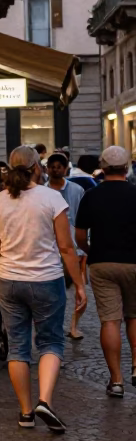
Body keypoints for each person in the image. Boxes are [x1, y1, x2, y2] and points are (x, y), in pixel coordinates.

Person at [0, 146, 86, 432]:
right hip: (47, 280)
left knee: (17, 347)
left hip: (9, 280)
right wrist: (79, 284)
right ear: (36, 168)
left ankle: (26, 412)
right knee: (51, 342)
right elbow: (67, 247)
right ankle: (45, 399)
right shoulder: (52, 198)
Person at [74, 145, 136, 398]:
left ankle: (117, 380)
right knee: (134, 316)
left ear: (104, 167)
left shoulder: (92, 195)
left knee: (110, 320)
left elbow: (79, 236)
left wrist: (90, 249)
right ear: (127, 167)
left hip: (102, 262)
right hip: (134, 261)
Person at [45, 152, 87, 339]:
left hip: (73, 246)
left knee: (78, 289)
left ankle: (74, 326)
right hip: (50, 248)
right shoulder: (43, 191)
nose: (55, 169)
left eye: (59, 166)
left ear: (65, 169)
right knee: (55, 290)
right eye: (52, 166)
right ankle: (56, 325)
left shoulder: (77, 191)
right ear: (48, 169)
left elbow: (81, 219)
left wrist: (83, 248)